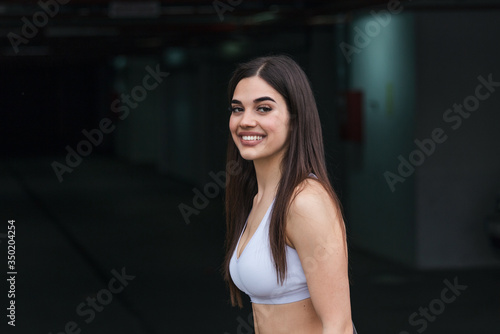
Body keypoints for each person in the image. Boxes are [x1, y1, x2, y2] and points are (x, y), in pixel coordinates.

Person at [223, 55, 356, 334]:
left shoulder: (305, 202)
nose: (245, 121)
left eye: (263, 108)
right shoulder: (258, 197)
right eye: (238, 109)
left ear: (295, 119)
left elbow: (339, 326)